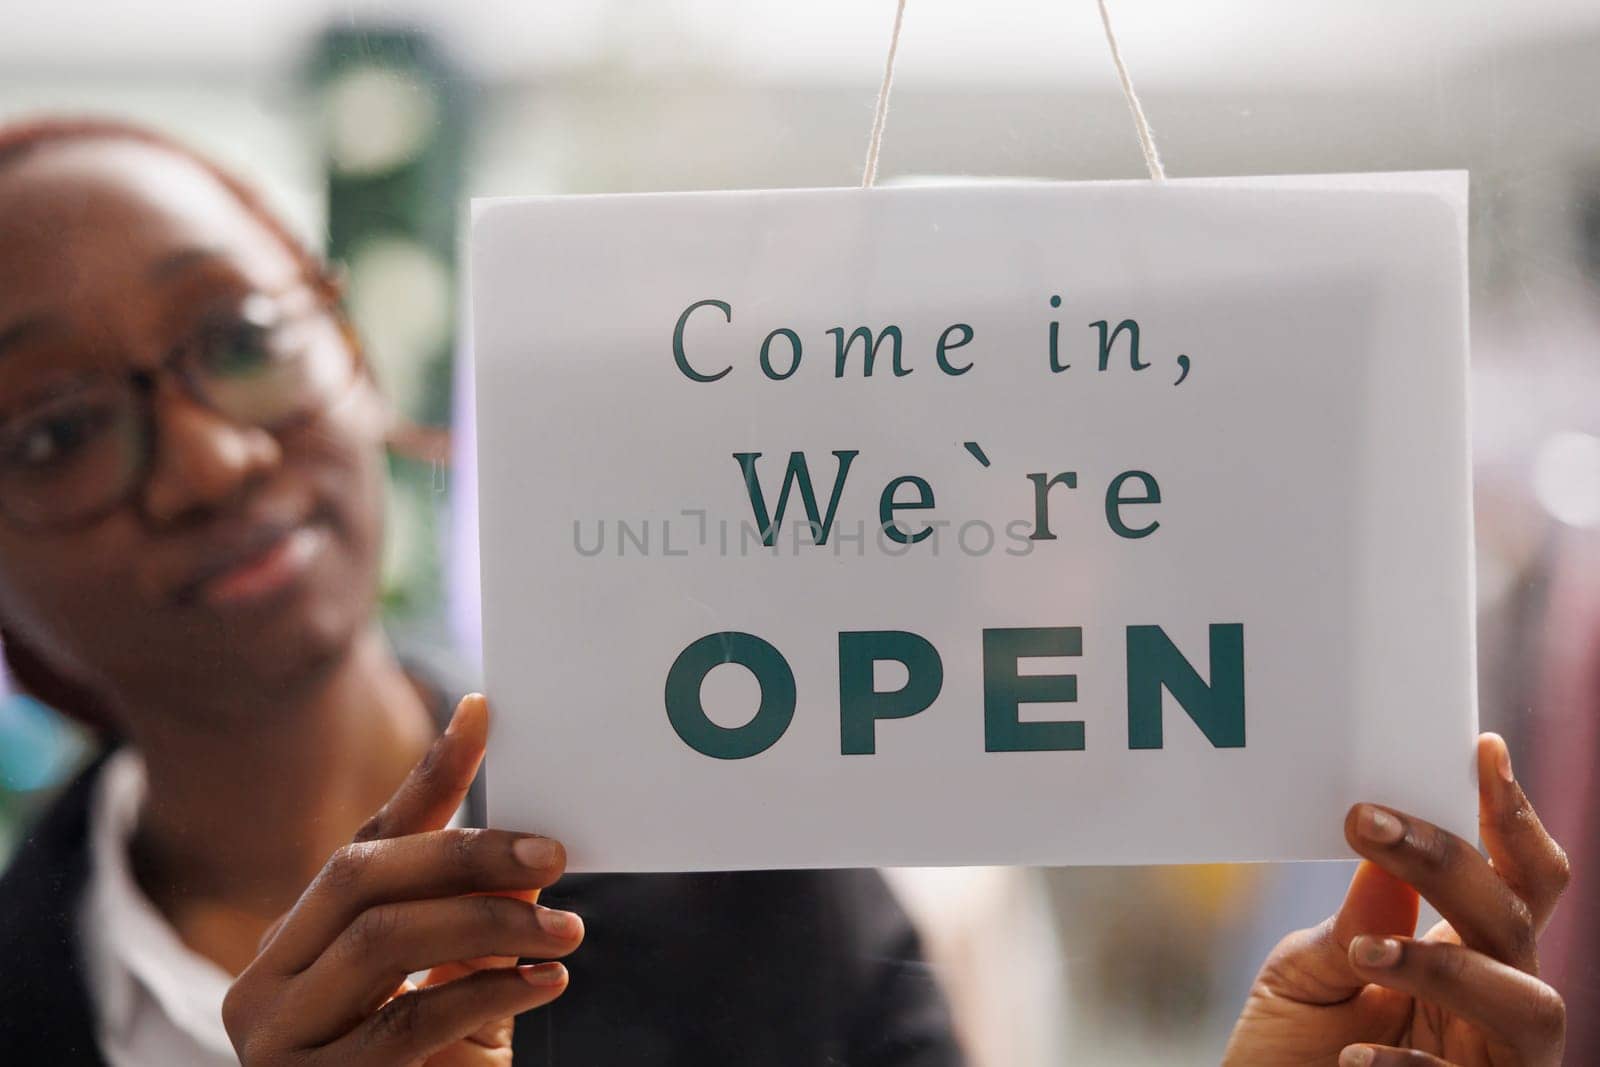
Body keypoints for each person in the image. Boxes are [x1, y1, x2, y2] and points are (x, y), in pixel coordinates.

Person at [0, 118, 1569, 1067]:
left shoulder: (758, 887)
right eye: (56, 429)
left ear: (351, 364)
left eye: (240, 336)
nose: (207, 459)